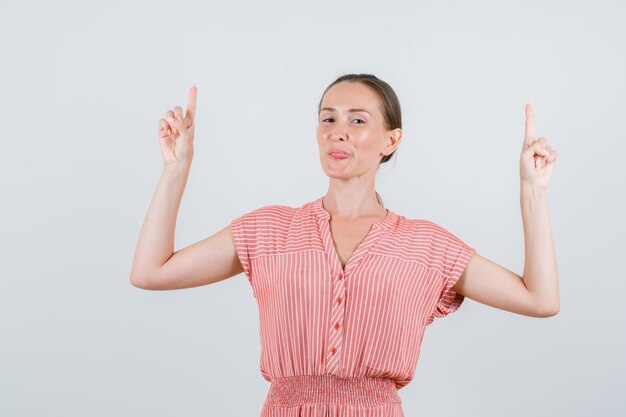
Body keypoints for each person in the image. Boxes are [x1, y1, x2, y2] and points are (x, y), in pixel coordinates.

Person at [129, 73, 560, 416]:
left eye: (357, 120)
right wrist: (175, 168)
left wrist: (532, 193)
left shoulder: (426, 246)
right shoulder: (268, 230)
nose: (338, 132)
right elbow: (151, 272)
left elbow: (540, 299)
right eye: (328, 118)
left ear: (391, 140)